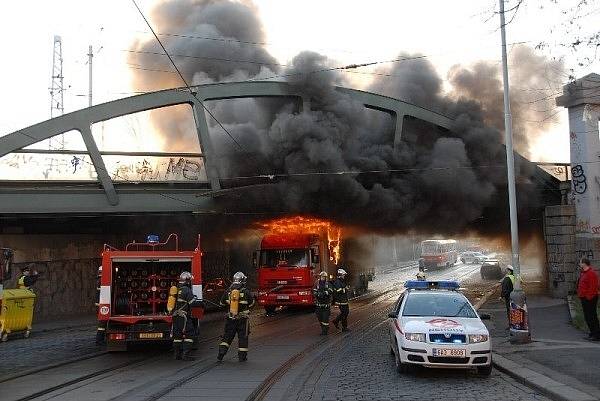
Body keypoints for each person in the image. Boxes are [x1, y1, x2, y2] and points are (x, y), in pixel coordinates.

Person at [217, 271, 255, 362]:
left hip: (230, 319)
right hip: (243, 320)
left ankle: (221, 354)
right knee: (243, 338)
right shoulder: (245, 291)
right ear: (242, 281)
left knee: (227, 337)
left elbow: (221, 304)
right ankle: (242, 357)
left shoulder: (228, 291)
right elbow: (252, 304)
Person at [172, 271, 202, 361]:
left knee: (177, 335)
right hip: (183, 317)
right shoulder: (186, 290)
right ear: (187, 281)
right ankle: (186, 355)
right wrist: (201, 303)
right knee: (190, 334)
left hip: (175, 316)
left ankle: (177, 355)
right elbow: (192, 303)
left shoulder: (176, 289)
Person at [577, 258, 600, 341]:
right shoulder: (583, 273)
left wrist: (588, 297)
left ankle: (597, 335)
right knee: (587, 317)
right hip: (584, 298)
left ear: (584, 264)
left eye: (580, 262)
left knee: (592, 316)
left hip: (590, 298)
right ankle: (592, 333)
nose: (579, 264)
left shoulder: (591, 273)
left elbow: (594, 287)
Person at [313, 271, 333, 335]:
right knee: (320, 318)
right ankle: (324, 328)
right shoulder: (317, 283)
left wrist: (325, 293)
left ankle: (325, 331)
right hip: (319, 305)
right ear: (320, 276)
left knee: (325, 318)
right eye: (322, 276)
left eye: (324, 277)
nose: (323, 278)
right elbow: (314, 290)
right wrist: (317, 294)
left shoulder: (328, 283)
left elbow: (331, 290)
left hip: (326, 305)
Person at [332, 268, 350, 332]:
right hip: (340, 301)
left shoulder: (342, 281)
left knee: (346, 312)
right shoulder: (337, 282)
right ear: (340, 275)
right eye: (343, 275)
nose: (344, 276)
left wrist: (346, 288)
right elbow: (338, 291)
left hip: (344, 300)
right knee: (344, 313)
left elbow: (344, 288)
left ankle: (336, 321)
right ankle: (344, 327)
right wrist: (344, 289)